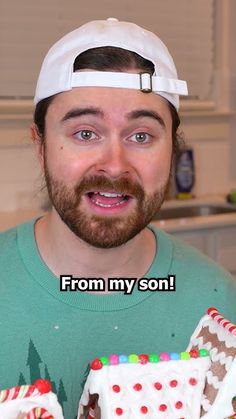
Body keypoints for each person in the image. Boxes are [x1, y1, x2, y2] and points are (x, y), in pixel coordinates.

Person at [0, 18, 235, 419]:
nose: (113, 166)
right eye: (85, 133)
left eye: (141, 135)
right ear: (40, 145)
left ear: (173, 149)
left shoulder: (221, 303)